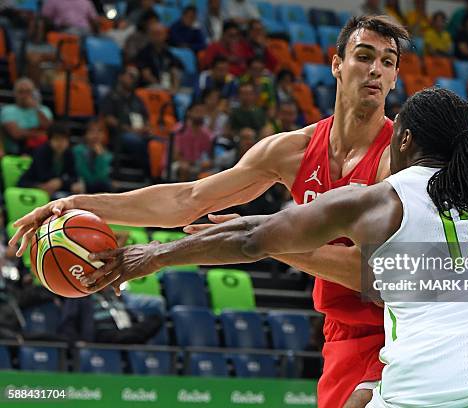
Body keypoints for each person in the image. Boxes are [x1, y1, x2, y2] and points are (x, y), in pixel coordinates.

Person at [10, 15, 410, 408]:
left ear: (394, 78)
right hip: (342, 333)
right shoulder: (292, 151)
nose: (375, 70)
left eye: (387, 62)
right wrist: (78, 203)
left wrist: (267, 240)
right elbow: (189, 200)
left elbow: (370, 273)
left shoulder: (397, 162)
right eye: (364, 56)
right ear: (337, 64)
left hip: (400, 325)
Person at [84, 88, 468, 407]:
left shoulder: (380, 201)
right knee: (364, 395)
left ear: (403, 140)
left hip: (432, 390)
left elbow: (251, 238)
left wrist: (151, 255)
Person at [18, 122, 84, 200]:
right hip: (34, 184)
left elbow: (74, 176)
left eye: (64, 139)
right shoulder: (41, 152)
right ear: (49, 140)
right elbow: (44, 177)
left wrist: (61, 182)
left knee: (79, 187)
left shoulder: (69, 153)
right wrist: (63, 182)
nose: (60, 143)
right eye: (57, 139)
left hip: (56, 188)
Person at [1, 78, 53, 155]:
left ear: (34, 93)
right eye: (20, 92)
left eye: (28, 91)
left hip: (41, 153)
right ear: (15, 93)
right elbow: (16, 134)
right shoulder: (7, 110)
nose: (24, 95)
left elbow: (49, 130)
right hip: (15, 154)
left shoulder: (44, 110)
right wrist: (39, 133)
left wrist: (36, 108)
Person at [72, 120, 113, 194]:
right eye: (92, 131)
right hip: (81, 186)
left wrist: (100, 157)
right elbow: (81, 173)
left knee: (105, 185)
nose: (96, 135)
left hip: (98, 188)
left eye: (99, 131)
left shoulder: (107, 155)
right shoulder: (77, 151)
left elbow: (101, 177)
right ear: (86, 134)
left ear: (104, 135)